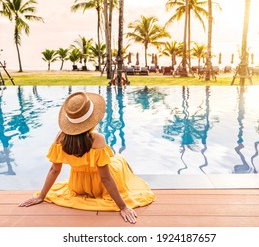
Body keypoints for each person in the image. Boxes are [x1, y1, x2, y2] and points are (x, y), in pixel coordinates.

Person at [19, 91, 156, 224]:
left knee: (115, 159)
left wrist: (41, 196)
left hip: (77, 185)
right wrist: (123, 206)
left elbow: (54, 170)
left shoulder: (60, 138)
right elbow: (105, 178)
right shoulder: (98, 139)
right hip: (100, 187)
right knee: (119, 159)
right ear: (92, 120)